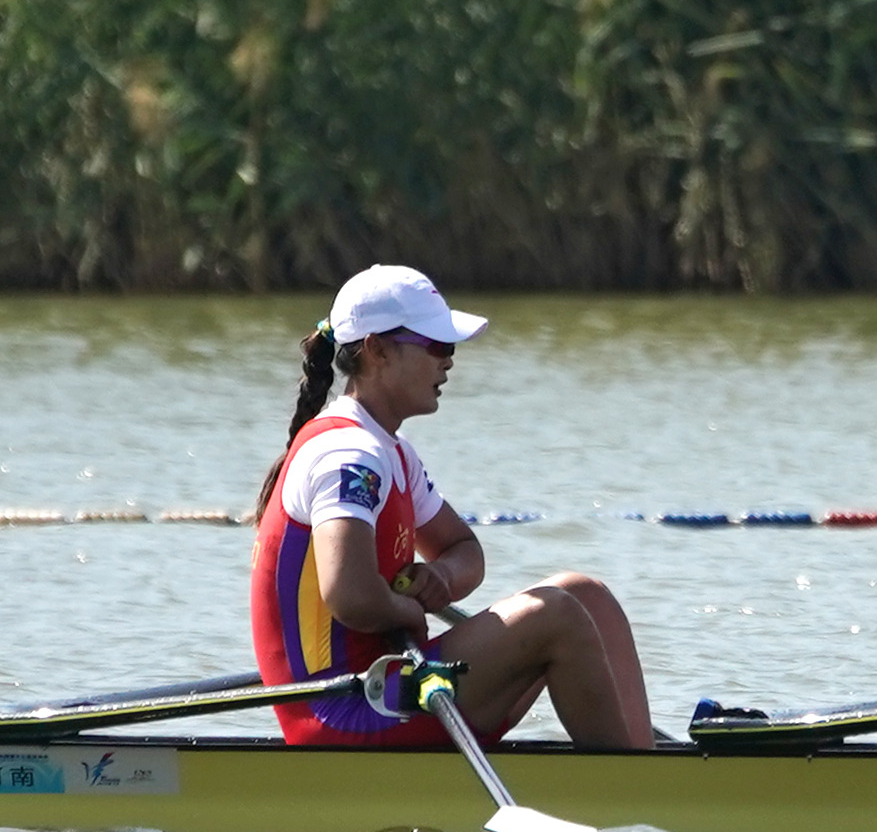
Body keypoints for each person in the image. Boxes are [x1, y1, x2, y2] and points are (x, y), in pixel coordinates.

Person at [250, 264, 653, 750]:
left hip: (393, 681)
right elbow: (351, 596)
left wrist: (441, 579)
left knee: (584, 594)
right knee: (557, 616)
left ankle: (643, 762)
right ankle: (631, 797)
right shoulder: (348, 455)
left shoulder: (391, 450)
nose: (449, 362)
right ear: (378, 350)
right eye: (437, 346)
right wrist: (406, 611)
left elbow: (464, 549)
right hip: (342, 712)